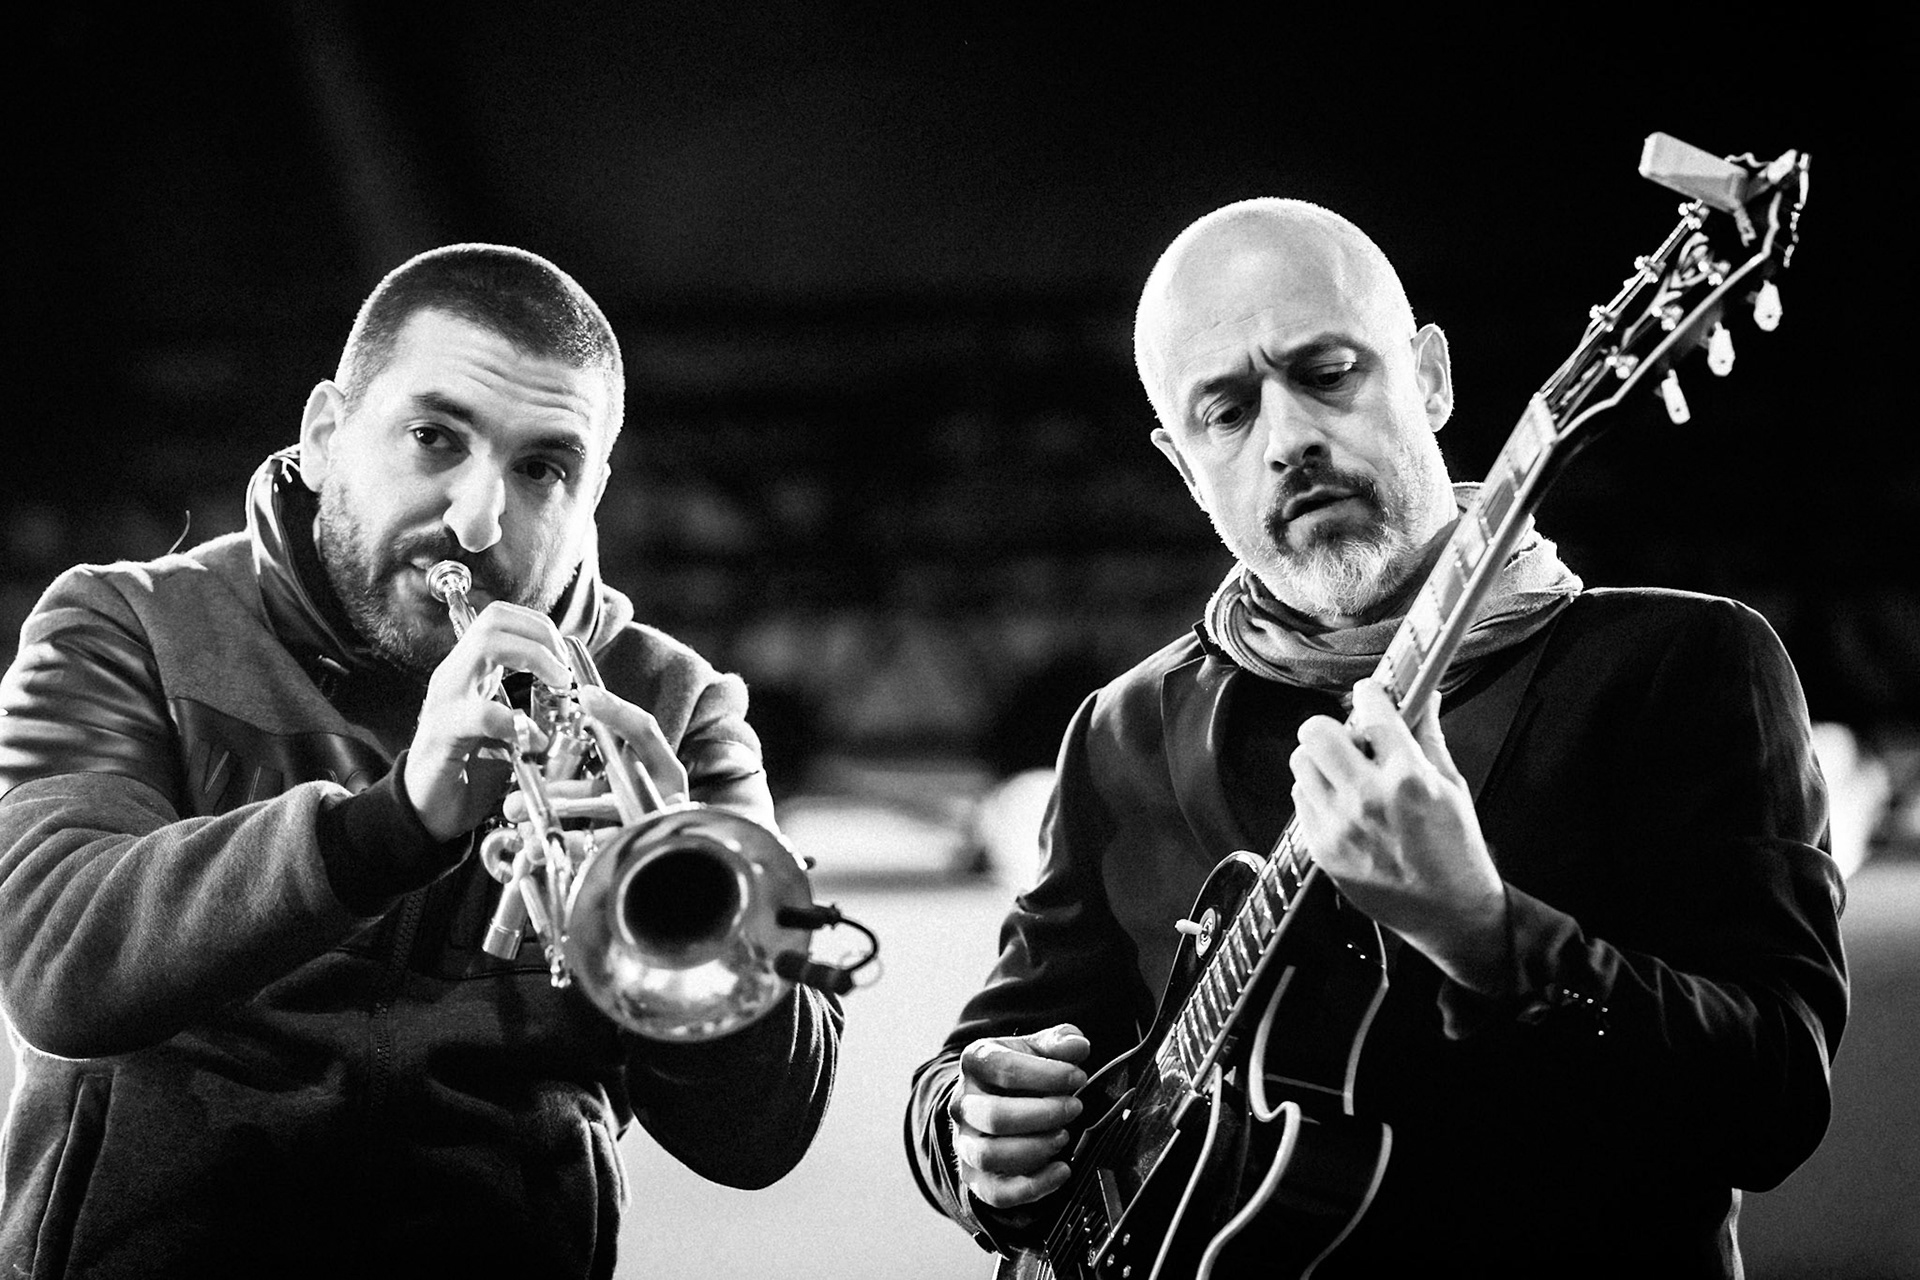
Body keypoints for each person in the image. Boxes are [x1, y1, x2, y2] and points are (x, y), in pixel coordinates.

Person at [904, 199, 1847, 1276]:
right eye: (1227, 410)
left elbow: (1775, 1100)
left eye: (1327, 371)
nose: (1290, 438)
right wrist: (969, 1132)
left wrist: (1488, 933)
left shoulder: (1679, 665)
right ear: (1182, 463)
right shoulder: (1127, 727)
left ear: (1430, 377)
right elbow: (976, 1062)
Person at [0, 245, 841, 1278]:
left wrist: (675, 909)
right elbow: (57, 969)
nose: (480, 520)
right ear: (322, 434)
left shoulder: (672, 704)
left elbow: (762, 1135)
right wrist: (390, 824)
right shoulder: (122, 623)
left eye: (543, 467)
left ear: (595, 491)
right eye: (435, 437)